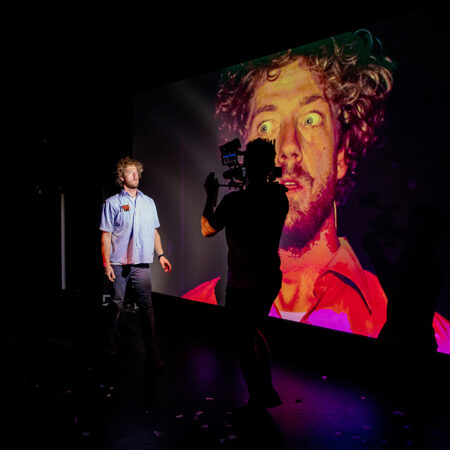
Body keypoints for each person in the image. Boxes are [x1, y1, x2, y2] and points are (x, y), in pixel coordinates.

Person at [183, 30, 450, 353]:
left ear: (341, 155)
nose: (287, 148)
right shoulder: (196, 307)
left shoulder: (435, 335)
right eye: (266, 126)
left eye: (311, 119)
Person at [201, 138, 289, 408]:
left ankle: (258, 398)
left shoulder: (234, 201)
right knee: (252, 329)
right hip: (268, 279)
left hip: (242, 285)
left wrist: (211, 196)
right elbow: (262, 197)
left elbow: (207, 229)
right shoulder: (279, 197)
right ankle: (267, 390)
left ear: (245, 164)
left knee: (243, 341)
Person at [100, 156, 172, 366]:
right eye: (130, 172)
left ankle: (151, 350)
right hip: (118, 262)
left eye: (137, 172)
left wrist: (161, 255)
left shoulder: (149, 202)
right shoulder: (112, 203)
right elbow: (105, 235)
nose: (135, 175)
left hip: (141, 264)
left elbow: (154, 232)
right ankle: (110, 339)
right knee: (116, 303)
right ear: (121, 177)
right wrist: (106, 263)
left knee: (146, 306)